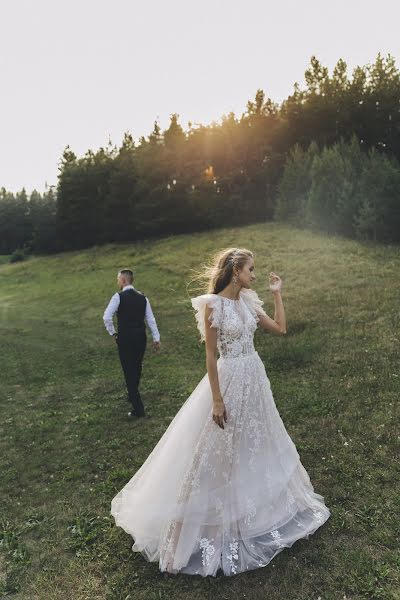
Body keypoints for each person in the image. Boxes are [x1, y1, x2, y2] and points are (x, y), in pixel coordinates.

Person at [111, 248, 330, 576]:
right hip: (227, 382)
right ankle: (180, 534)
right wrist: (216, 399)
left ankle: (245, 515)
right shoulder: (211, 305)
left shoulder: (249, 302)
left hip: (254, 379)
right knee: (213, 452)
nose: (254, 275)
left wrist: (277, 294)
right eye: (250, 270)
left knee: (252, 445)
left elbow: (281, 329)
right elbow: (211, 356)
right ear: (234, 269)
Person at [103, 269, 161, 417]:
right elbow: (151, 319)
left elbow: (107, 317)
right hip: (141, 337)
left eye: (118, 279)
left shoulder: (118, 297)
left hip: (126, 338)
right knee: (137, 367)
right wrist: (156, 337)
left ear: (123, 280)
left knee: (129, 371)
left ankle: (138, 409)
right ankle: (132, 393)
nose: (117, 282)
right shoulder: (143, 298)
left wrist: (113, 333)